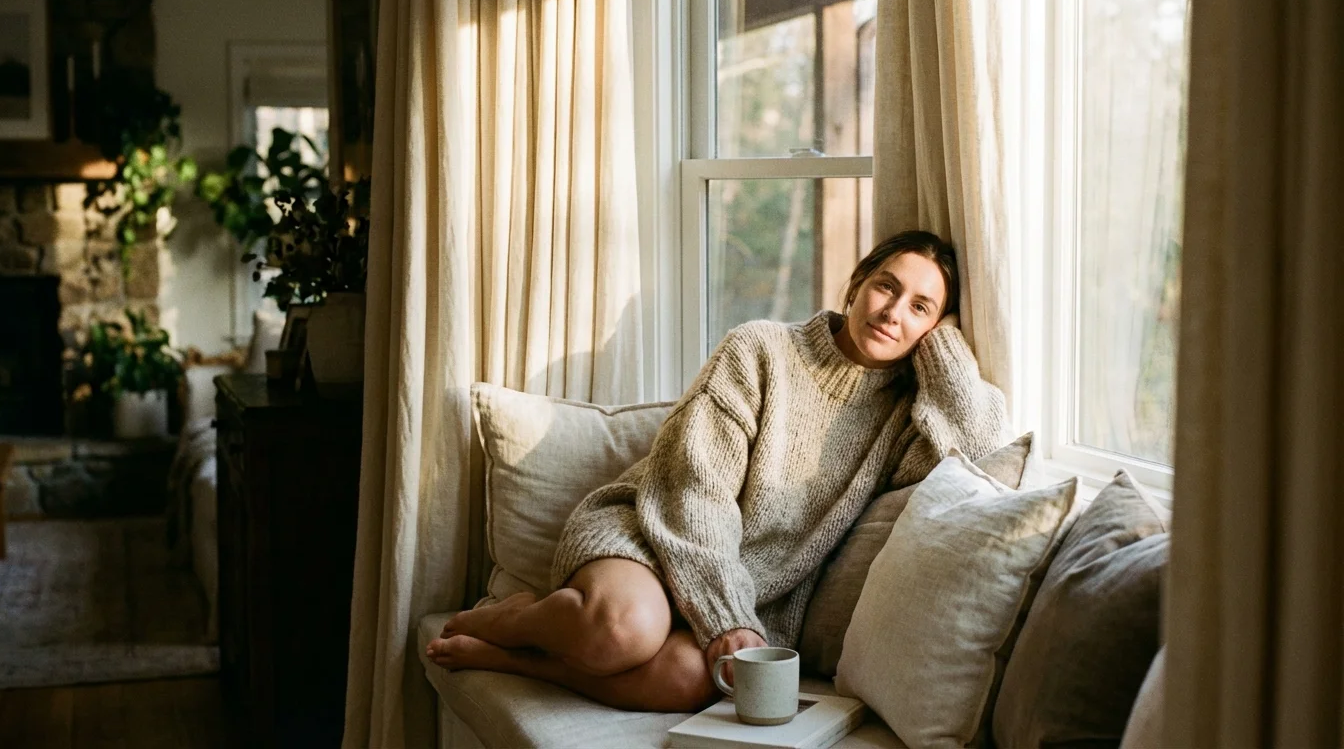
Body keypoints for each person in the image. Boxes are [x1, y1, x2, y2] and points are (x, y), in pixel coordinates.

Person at [426, 230, 1009, 713]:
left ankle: (518, 664)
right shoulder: (761, 349)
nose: (892, 312)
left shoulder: (902, 419)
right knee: (622, 632)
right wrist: (725, 616)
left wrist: (944, 348)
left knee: (687, 682)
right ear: (857, 285)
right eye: (887, 286)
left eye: (920, 307)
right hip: (652, 534)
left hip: (755, 592)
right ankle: (518, 619)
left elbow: (979, 444)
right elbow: (691, 491)